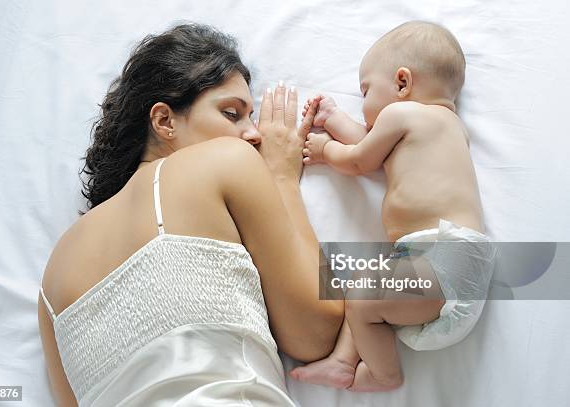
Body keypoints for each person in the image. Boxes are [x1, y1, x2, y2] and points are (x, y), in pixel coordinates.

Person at [38, 23, 343, 406]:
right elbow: (314, 332)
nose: (254, 135)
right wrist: (280, 177)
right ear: (164, 121)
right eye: (232, 114)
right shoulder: (225, 161)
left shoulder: (52, 277)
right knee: (428, 276)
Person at [291, 21, 495, 392]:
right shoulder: (448, 126)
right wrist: (334, 119)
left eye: (365, 90)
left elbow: (360, 160)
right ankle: (343, 358)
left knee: (361, 293)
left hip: (442, 259)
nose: (365, 102)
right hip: (451, 260)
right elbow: (380, 150)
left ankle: (384, 375)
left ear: (402, 83)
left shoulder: (400, 116)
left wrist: (325, 150)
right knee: (365, 287)